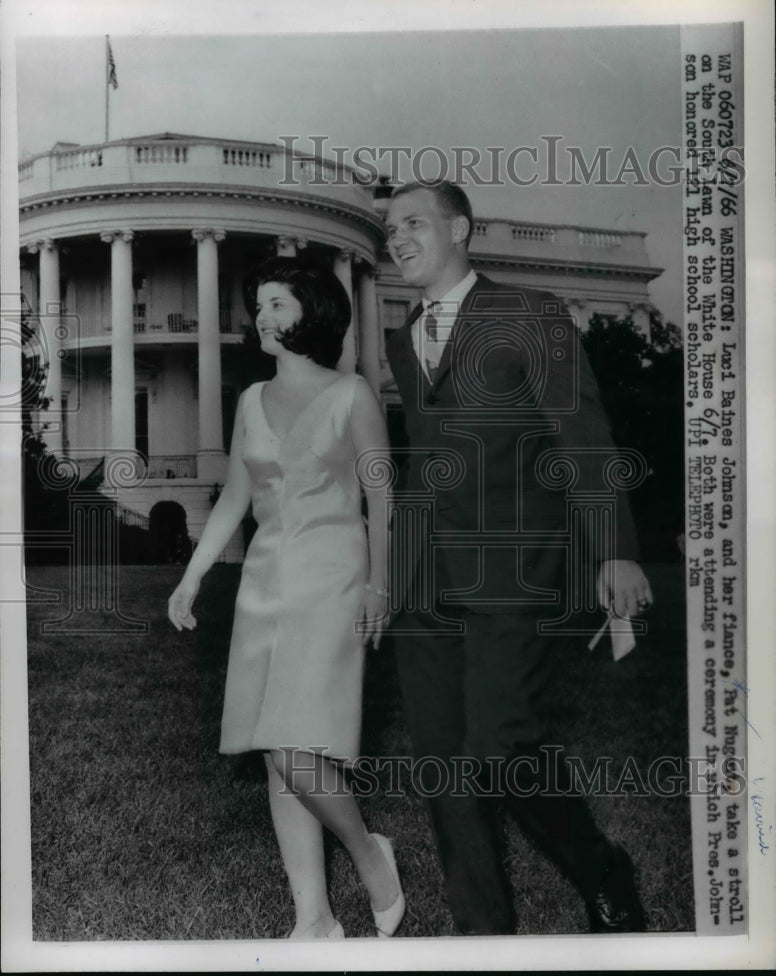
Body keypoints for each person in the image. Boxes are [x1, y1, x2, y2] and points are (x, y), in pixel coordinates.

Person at [384, 180, 654, 936]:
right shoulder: (402, 339)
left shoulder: (529, 314)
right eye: (389, 229)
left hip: (515, 567)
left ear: (461, 228)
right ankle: (483, 936)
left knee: (501, 746)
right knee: (442, 763)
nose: (397, 238)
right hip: (424, 581)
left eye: (414, 223)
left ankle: (600, 870)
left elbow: (583, 436)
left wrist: (617, 554)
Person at [168, 257, 404, 940]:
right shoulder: (249, 401)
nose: (261, 318)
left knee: (293, 743)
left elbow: (383, 495)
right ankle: (315, 919)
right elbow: (235, 501)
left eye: (276, 303)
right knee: (277, 749)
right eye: (259, 305)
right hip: (265, 579)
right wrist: (193, 576)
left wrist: (379, 584)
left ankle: (369, 852)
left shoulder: (353, 394)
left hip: (333, 572)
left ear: (313, 310)